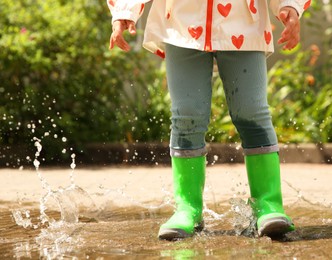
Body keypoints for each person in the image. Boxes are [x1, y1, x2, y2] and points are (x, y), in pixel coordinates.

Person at [107, 0, 310, 240]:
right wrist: (124, 10)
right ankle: (188, 208)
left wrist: (290, 6)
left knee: (251, 111)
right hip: (183, 23)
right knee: (187, 115)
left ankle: (268, 203)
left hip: (242, 21)